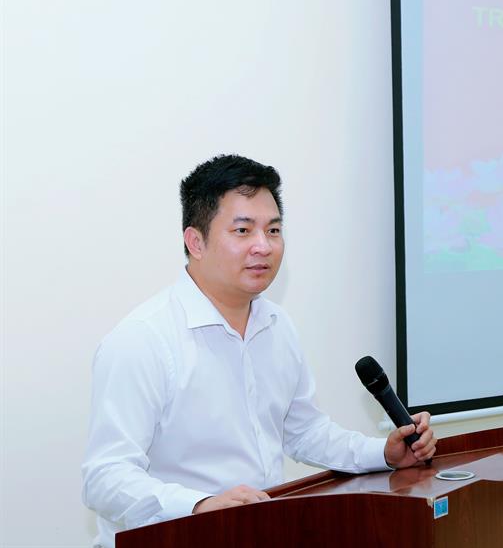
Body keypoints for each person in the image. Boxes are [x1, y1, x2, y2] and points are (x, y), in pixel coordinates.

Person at [81, 154, 435, 547]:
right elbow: (105, 477)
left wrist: (383, 453)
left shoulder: (276, 325)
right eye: (243, 230)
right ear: (195, 242)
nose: (263, 246)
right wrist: (199, 505)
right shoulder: (142, 339)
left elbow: (304, 431)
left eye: (273, 230)